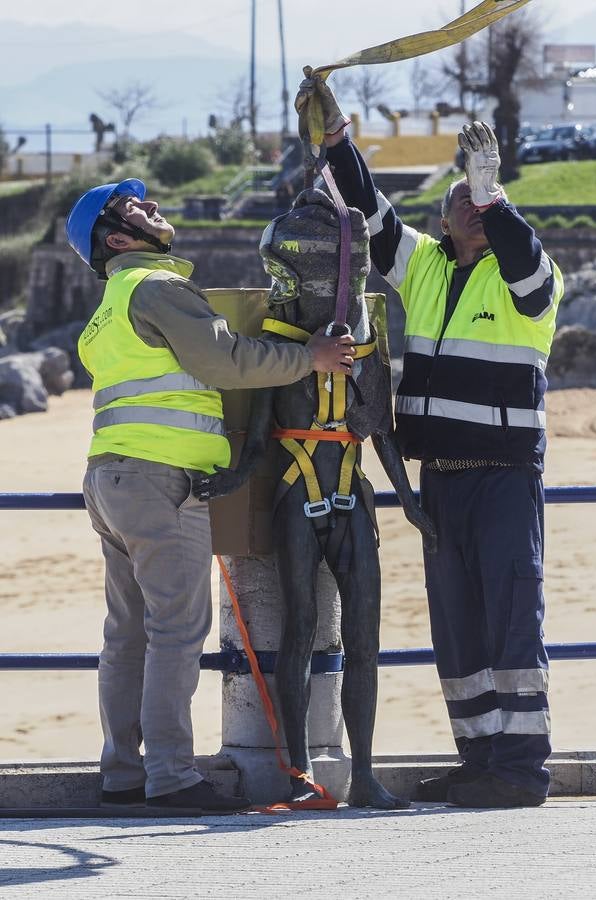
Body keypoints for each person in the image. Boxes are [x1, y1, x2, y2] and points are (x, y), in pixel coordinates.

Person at [295, 77, 564, 809]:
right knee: (457, 626)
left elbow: (525, 263)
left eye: (480, 206)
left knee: (511, 619)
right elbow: (368, 210)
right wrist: (336, 141)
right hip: (438, 482)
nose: (470, 213)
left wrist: (494, 195)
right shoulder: (424, 265)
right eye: (461, 203)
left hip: (504, 477)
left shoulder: (527, 282)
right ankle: (478, 759)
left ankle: (520, 769)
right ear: (444, 219)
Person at [66, 177, 355, 813]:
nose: (153, 205)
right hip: (162, 484)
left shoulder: (107, 308)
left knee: (128, 633)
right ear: (118, 238)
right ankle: (170, 777)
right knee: (176, 631)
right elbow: (225, 362)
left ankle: (121, 771)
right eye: (135, 207)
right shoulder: (159, 287)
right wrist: (311, 357)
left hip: (109, 480)